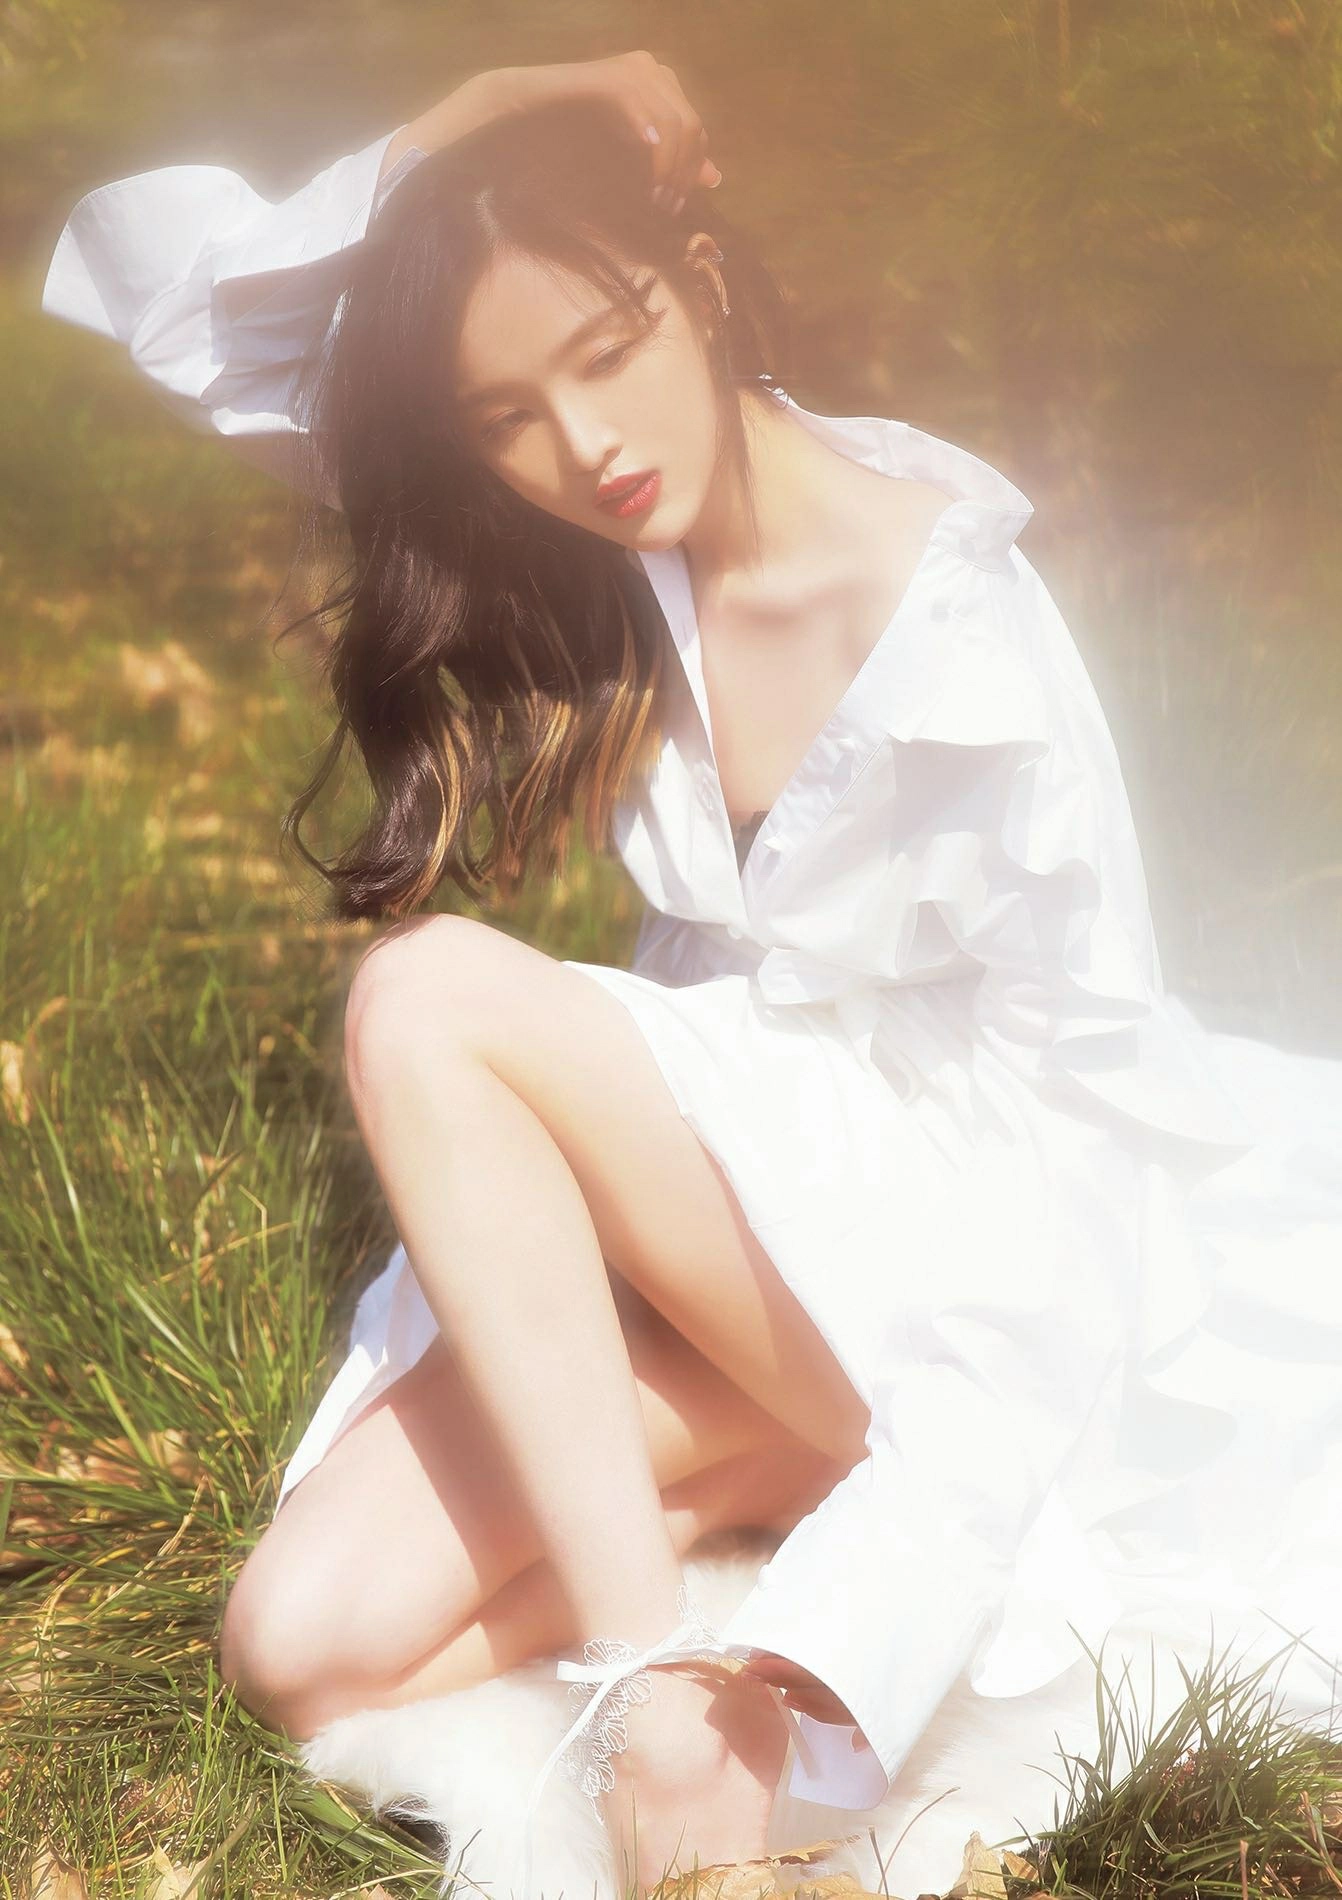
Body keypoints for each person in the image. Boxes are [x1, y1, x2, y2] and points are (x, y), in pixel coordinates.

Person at [40, 50, 1342, 1900]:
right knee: (297, 1642)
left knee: (424, 996)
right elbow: (196, 329)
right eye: (506, 413)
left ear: (703, 280)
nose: (586, 444)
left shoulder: (957, 641)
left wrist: (883, 1589)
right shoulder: (598, 544)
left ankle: (650, 1665)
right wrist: (500, 107)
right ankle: (741, 1487)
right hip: (737, 1234)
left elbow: (1074, 1160)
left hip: (961, 1268)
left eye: (610, 346)